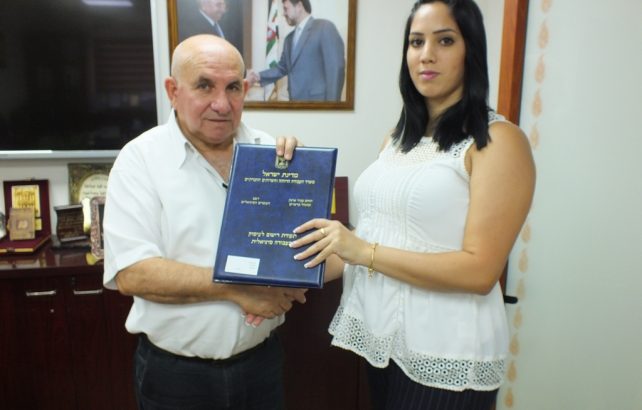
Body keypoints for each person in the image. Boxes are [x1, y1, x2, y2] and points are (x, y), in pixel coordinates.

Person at [289, 0, 536, 409]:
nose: (426, 55)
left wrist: (362, 250)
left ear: (471, 50)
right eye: (416, 42)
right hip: (382, 343)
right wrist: (284, 279)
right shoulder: (395, 140)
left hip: (446, 351)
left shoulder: (497, 142)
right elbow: (363, 242)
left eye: (445, 41)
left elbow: (480, 270)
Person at [102, 34, 307, 410]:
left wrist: (305, 181)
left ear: (245, 90)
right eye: (204, 86)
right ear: (173, 91)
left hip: (261, 364)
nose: (221, 104)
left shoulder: (271, 152)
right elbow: (133, 273)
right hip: (177, 378)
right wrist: (236, 289)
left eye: (233, 88)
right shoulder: (140, 160)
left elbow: (296, 250)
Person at [246, 0, 345, 101]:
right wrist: (258, 76)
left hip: (318, 104)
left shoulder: (324, 27)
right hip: (294, 104)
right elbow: (281, 68)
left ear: (299, 6)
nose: (283, 13)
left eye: (286, 8)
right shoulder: (289, 39)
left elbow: (336, 69)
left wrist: (332, 107)